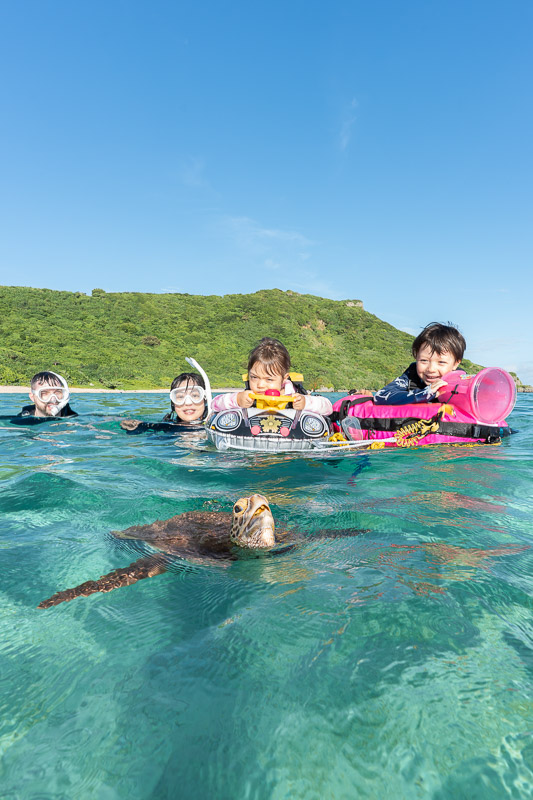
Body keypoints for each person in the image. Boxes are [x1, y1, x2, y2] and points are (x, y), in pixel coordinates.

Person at [211, 337, 333, 415]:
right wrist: (237, 399)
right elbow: (214, 404)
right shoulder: (247, 396)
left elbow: (328, 407)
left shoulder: (294, 396)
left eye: (269, 379)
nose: (260, 385)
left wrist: (306, 403)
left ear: (284, 379)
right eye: (254, 377)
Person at [373, 322, 465, 406]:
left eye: (441, 362)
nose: (431, 369)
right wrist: (424, 394)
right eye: (424, 360)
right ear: (416, 357)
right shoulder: (411, 376)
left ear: (455, 364)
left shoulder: (462, 383)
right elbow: (380, 396)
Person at [120, 372, 207, 432]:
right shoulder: (166, 427)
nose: (188, 403)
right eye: (180, 397)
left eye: (195, 396)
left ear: (205, 398)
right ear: (173, 404)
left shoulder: (215, 426)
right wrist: (135, 425)